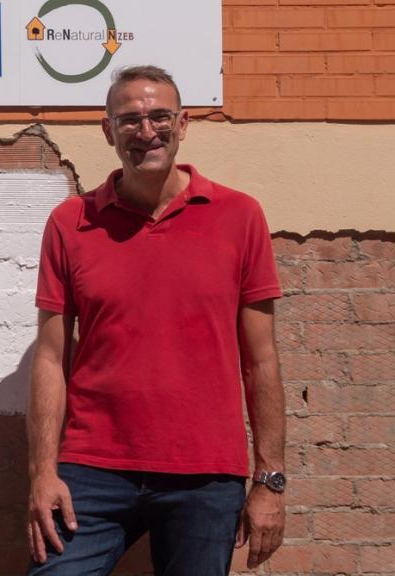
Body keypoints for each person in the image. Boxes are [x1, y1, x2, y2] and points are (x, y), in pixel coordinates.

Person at [26, 65, 285, 576]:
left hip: (206, 473)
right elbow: (52, 356)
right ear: (108, 131)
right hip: (92, 467)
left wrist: (269, 480)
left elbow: (262, 360)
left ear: (183, 123)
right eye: (130, 120)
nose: (147, 131)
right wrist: (42, 472)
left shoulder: (240, 216)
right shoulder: (71, 222)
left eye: (160, 116)